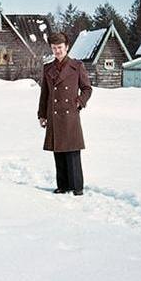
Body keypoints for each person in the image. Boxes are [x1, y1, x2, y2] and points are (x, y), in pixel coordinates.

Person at [37, 32, 92, 196]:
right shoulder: (48, 68)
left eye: (60, 47)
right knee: (58, 151)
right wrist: (42, 115)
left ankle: (77, 186)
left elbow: (87, 89)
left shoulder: (77, 66)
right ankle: (63, 185)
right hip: (54, 115)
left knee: (72, 151)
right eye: (54, 48)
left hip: (70, 115)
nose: (57, 51)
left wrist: (79, 102)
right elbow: (44, 94)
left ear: (66, 47)